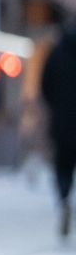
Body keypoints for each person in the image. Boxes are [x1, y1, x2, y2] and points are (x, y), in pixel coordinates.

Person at [39, 20, 76, 237]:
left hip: (62, 123)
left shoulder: (56, 54)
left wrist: (56, 107)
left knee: (63, 167)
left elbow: (45, 87)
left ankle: (63, 199)